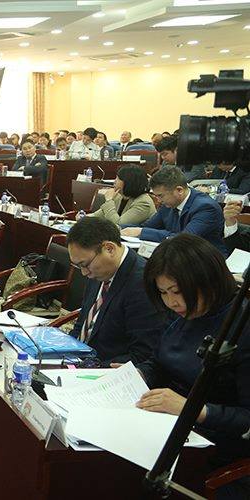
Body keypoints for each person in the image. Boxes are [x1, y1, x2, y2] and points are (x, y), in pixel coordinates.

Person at [136, 234, 250, 498]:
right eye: (163, 293)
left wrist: (192, 409)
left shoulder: (242, 326)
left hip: (215, 450)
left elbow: (247, 418)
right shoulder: (187, 311)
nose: (170, 302)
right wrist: (137, 374)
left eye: (176, 292)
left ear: (207, 280)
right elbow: (160, 361)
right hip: (167, 425)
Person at [66, 218, 161, 363]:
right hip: (77, 358)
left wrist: (91, 368)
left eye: (84, 265)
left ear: (109, 249)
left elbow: (142, 353)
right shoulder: (98, 270)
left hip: (104, 367)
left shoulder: (142, 283)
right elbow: (82, 323)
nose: (84, 273)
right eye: (79, 266)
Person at [122, 166, 229, 256]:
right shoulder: (168, 204)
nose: (158, 200)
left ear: (179, 190)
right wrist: (118, 229)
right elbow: (147, 226)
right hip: (178, 256)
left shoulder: (206, 207)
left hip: (205, 261)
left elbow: (184, 239)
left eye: (160, 196)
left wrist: (141, 232)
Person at [90, 165, 157, 226]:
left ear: (128, 182)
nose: (114, 181)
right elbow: (97, 215)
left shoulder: (143, 203)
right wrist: (84, 218)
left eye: (118, 178)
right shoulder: (120, 196)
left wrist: (109, 200)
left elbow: (119, 224)